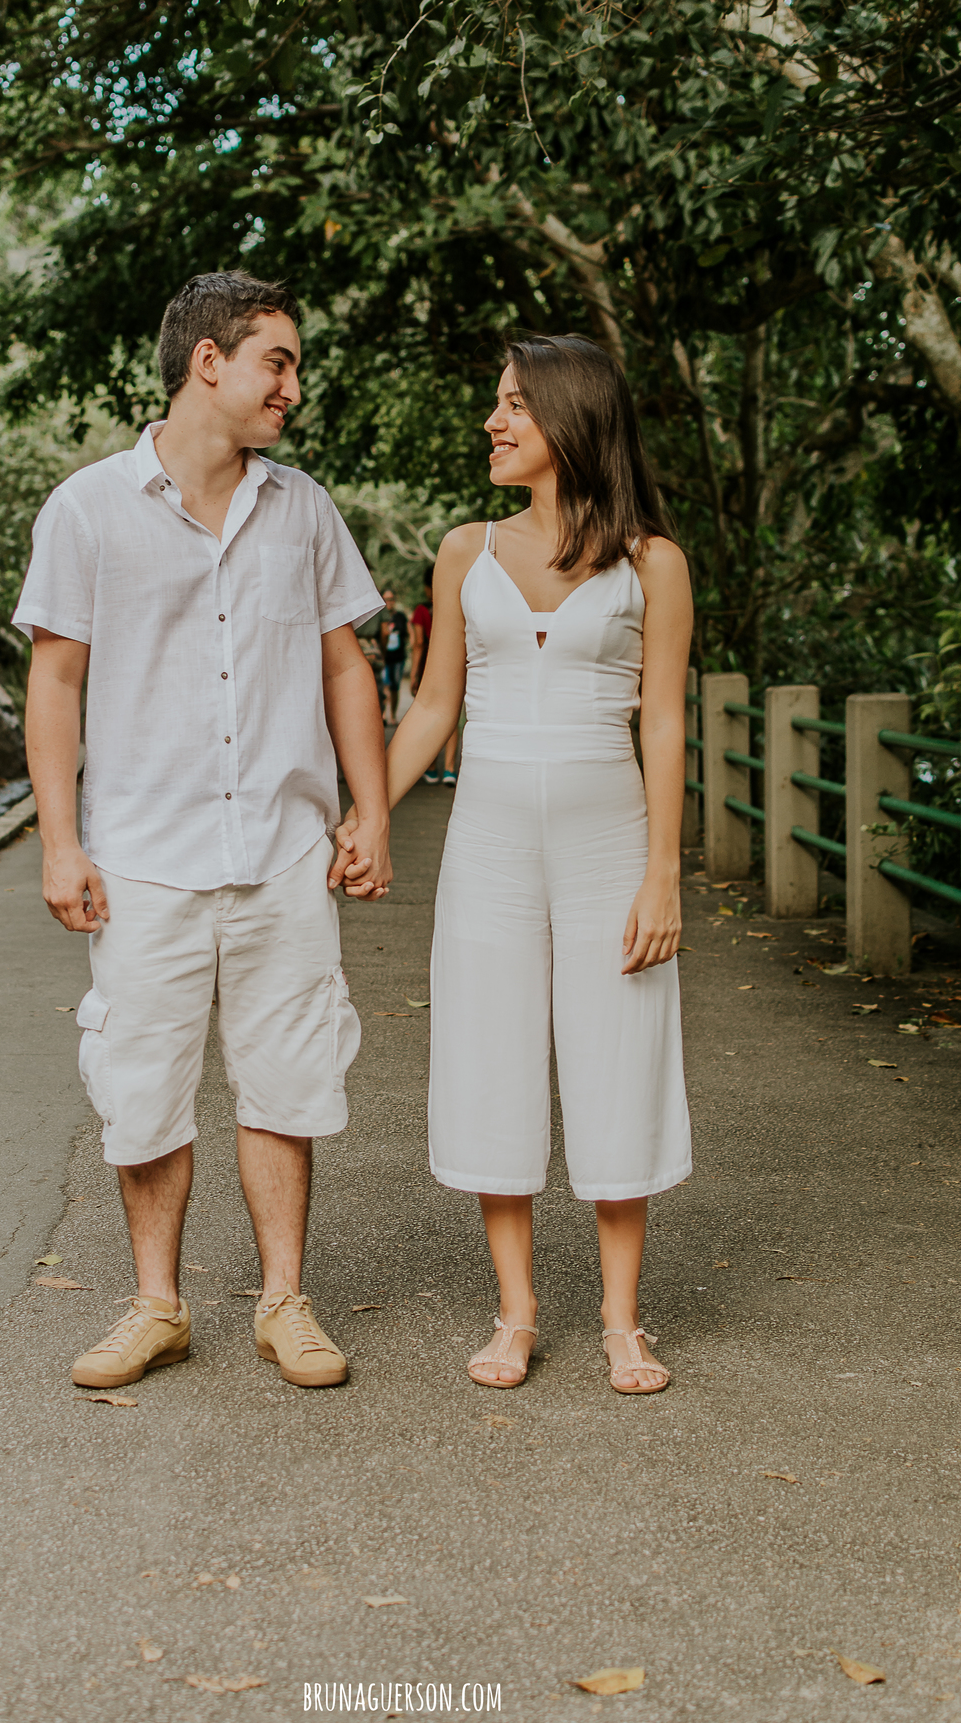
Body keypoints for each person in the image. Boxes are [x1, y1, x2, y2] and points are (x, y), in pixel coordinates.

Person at [15, 270, 391, 1394]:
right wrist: (58, 841)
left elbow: (342, 663)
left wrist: (368, 811)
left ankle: (285, 1303)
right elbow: (57, 684)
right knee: (143, 1086)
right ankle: (157, 1307)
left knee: (288, 1080)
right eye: (276, 360)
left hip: (282, 851)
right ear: (207, 362)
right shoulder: (86, 508)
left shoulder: (305, 509)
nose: (293, 385)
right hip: (141, 857)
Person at [341, 334, 692, 1393]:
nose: (494, 422)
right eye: (495, 403)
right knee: (493, 1053)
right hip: (487, 842)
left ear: (570, 417)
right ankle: (517, 1311)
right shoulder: (465, 550)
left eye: (513, 405)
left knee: (618, 1053)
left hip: (609, 842)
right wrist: (369, 814)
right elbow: (435, 703)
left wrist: (663, 874)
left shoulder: (653, 564)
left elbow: (666, 725)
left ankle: (624, 1322)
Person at [410, 567, 459, 786]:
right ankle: (449, 769)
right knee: (453, 715)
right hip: (454, 662)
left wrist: (413, 674)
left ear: (427, 587)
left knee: (430, 712)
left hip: (430, 664)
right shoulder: (454, 606)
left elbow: (419, 643)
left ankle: (430, 769)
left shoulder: (422, 610)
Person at [376, 589, 410, 725]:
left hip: (398, 658)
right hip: (383, 657)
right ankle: (382, 714)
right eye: (386, 599)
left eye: (391, 599)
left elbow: (408, 633)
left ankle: (393, 715)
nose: (389, 602)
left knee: (395, 687)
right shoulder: (378, 616)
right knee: (384, 685)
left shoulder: (400, 616)